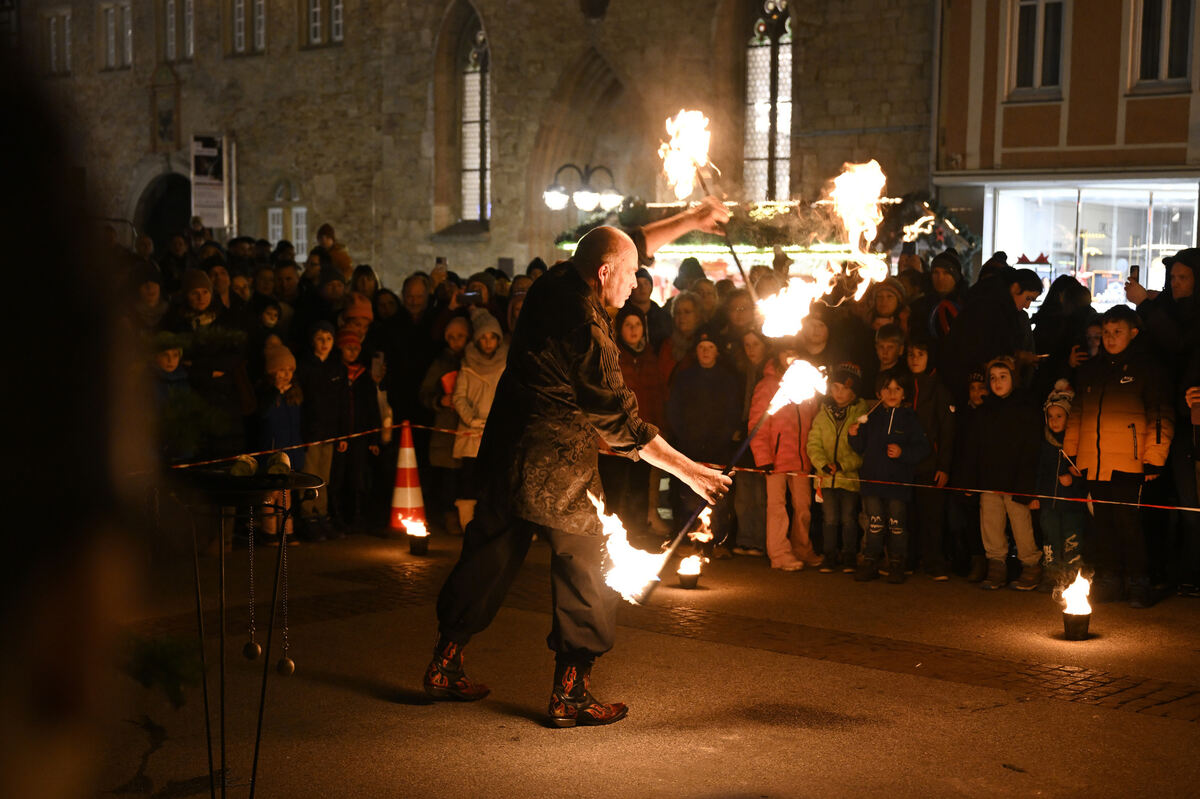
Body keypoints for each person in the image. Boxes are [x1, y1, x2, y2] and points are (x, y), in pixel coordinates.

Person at [425, 212, 732, 728]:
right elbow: (620, 423)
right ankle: (571, 694)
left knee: (491, 553)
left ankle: (443, 663)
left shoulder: (558, 278)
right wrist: (692, 473)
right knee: (587, 568)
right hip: (557, 464)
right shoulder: (588, 329)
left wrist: (695, 218)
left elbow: (626, 242)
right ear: (606, 273)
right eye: (634, 274)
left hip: (508, 448)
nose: (642, 283)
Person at [1063, 305, 1174, 607]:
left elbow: (1160, 415)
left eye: (1117, 332)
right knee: (1103, 524)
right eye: (1106, 333)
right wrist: (1071, 455)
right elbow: (1077, 415)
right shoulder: (1090, 370)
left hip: (1129, 461)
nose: (1110, 339)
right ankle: (1109, 578)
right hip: (1094, 462)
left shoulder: (1147, 369)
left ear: (1133, 333)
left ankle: (1138, 582)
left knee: (1129, 524)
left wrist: (1154, 457)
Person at [961, 356, 1043, 590]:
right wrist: (970, 481)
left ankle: (1031, 565)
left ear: (1013, 379)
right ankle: (996, 565)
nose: (997, 382)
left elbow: (1031, 449)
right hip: (989, 480)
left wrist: (1027, 485)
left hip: (1016, 482)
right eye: (993, 378)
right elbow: (973, 449)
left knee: (1021, 525)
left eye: (1003, 377)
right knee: (991, 525)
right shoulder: (984, 411)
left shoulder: (1025, 408)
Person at [848, 369, 930, 583]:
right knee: (874, 524)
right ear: (879, 392)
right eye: (887, 388)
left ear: (904, 394)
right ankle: (870, 561)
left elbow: (922, 448)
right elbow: (860, 447)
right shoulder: (871, 417)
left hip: (898, 483)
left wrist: (903, 453)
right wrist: (854, 435)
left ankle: (897, 563)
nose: (892, 393)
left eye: (897, 389)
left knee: (896, 525)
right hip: (872, 482)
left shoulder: (910, 419)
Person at [748, 350, 820, 570]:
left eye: (794, 351)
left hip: (800, 459)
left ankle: (802, 548)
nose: (789, 356)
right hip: (775, 459)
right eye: (785, 350)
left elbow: (813, 421)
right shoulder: (768, 384)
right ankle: (779, 553)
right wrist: (763, 457)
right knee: (777, 508)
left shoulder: (808, 383)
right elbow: (757, 423)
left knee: (803, 506)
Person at [808, 363, 870, 573]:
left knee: (849, 519)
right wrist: (823, 464)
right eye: (835, 387)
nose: (839, 393)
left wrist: (843, 465)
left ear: (853, 391)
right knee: (830, 519)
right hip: (826, 478)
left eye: (844, 388)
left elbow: (862, 450)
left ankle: (849, 556)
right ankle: (829, 555)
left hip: (849, 478)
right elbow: (813, 443)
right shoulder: (823, 414)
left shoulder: (860, 416)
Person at [451, 308, 508, 530]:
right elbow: (459, 397)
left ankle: (494, 523)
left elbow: (509, 396)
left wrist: (500, 420)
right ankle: (468, 524)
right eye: (482, 338)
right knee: (470, 481)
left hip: (497, 433)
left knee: (496, 481)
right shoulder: (467, 366)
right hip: (471, 434)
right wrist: (471, 420)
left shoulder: (505, 365)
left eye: (491, 337)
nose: (487, 343)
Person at [906, 332, 956, 580]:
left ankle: (934, 562)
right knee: (909, 514)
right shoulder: (902, 384)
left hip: (930, 463)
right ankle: (909, 559)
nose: (915, 359)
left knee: (932, 517)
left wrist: (944, 465)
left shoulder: (939, 389)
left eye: (921, 355)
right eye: (911, 355)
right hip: (905, 463)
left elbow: (947, 430)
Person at [1033, 380, 1088, 591]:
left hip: (1072, 502)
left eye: (1060, 416)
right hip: (1048, 501)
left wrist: (1075, 478)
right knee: (1050, 538)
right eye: (1051, 416)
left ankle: (1073, 576)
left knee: (1072, 539)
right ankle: (1052, 575)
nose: (1054, 421)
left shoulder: (1076, 442)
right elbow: (1040, 470)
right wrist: (1036, 495)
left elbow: (1085, 472)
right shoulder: (1044, 442)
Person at [419, 316, 471, 536]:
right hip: (447, 429)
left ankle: (467, 517)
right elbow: (424, 392)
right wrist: (439, 401)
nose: (455, 341)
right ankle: (449, 515)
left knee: (467, 477)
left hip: (470, 429)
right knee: (448, 478)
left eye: (460, 336)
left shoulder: (475, 361)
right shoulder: (440, 363)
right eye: (451, 337)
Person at [296, 321, 347, 540]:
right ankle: (308, 515)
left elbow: (344, 401)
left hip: (330, 431)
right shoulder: (305, 367)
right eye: (320, 338)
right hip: (311, 432)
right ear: (312, 340)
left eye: (328, 338)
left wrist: (343, 433)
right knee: (309, 474)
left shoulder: (337, 367)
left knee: (324, 476)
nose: (324, 343)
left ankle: (323, 514)